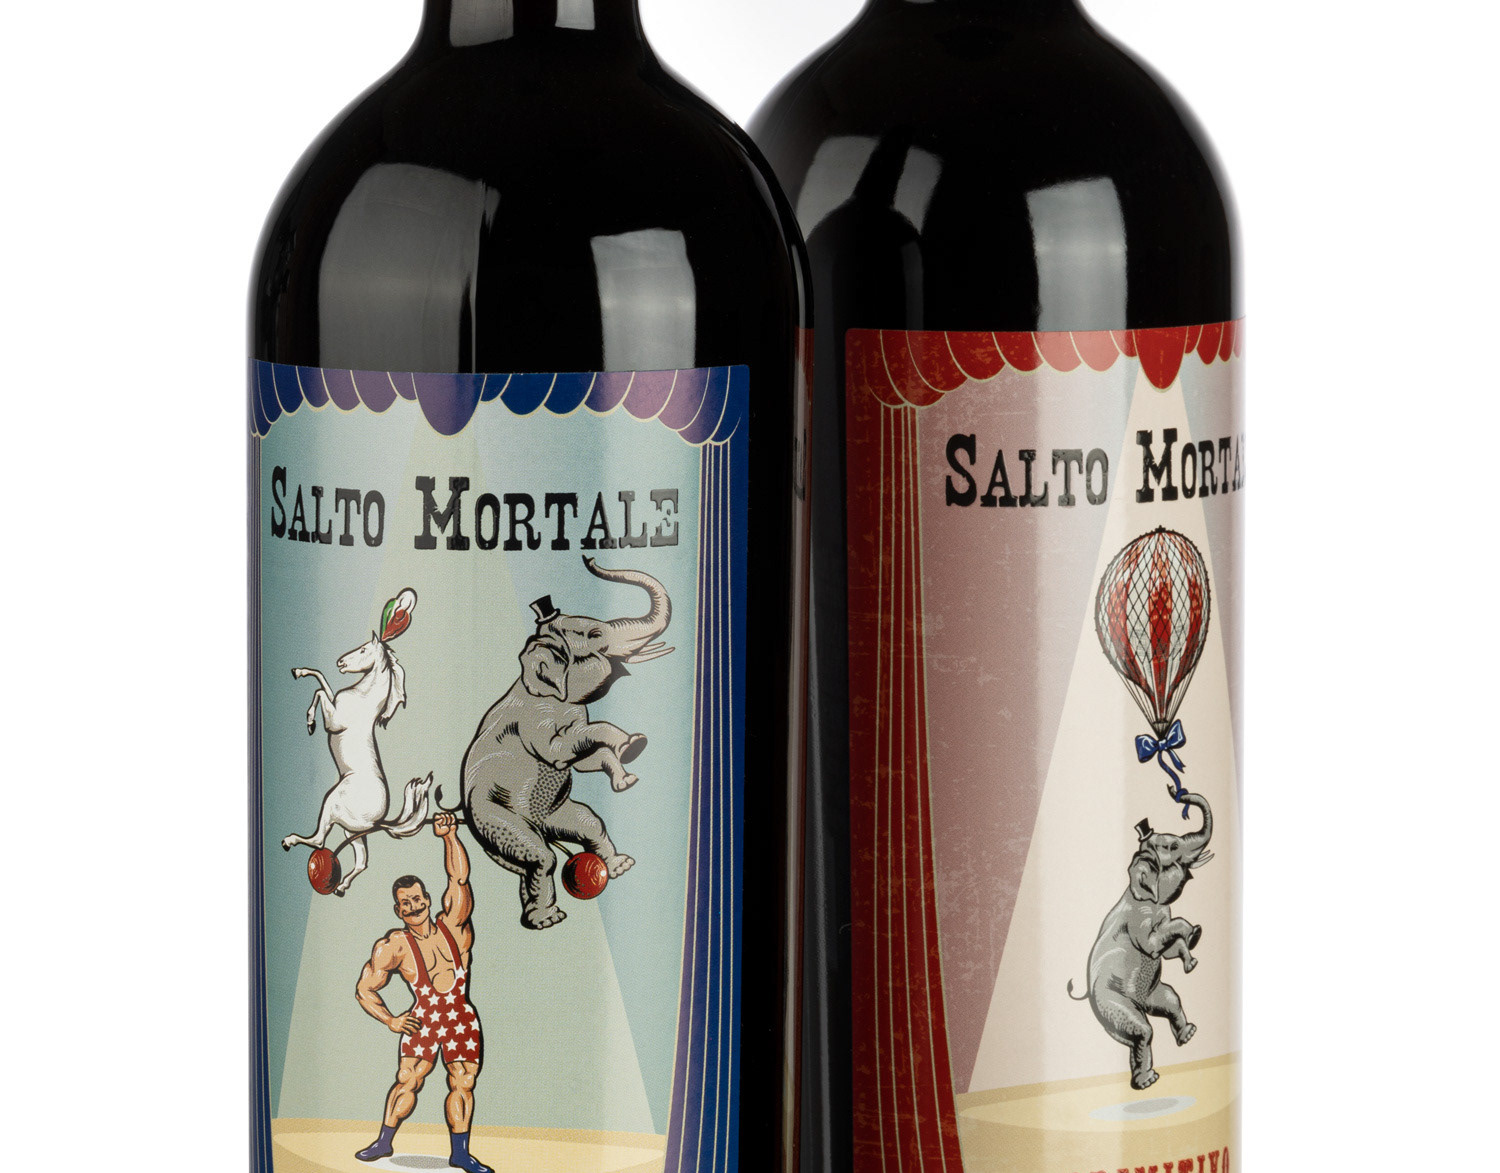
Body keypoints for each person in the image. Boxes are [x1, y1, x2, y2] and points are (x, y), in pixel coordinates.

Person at [354, 812, 491, 1173]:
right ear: (397, 910)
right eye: (405, 903)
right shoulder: (395, 945)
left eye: (417, 899)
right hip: (425, 1018)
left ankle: (460, 1153)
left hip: (461, 1017)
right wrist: (391, 1020)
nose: (413, 907)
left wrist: (449, 837)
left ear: (428, 900)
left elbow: (459, 879)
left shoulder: (454, 927)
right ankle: (384, 1142)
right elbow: (365, 988)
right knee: (408, 1079)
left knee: (462, 1081)